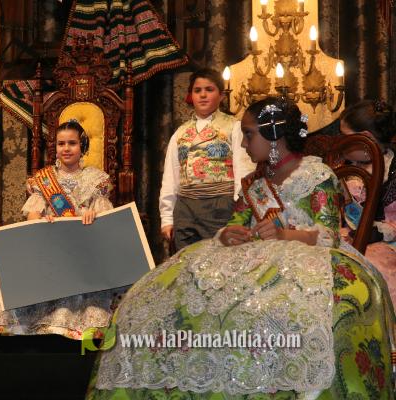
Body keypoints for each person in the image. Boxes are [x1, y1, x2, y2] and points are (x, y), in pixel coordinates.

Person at [87, 97, 394, 399]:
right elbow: (234, 223)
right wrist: (227, 235)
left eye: (249, 134)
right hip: (250, 259)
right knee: (165, 294)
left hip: (304, 260)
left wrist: (283, 234)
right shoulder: (253, 184)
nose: (244, 144)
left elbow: (328, 236)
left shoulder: (318, 175)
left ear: (273, 136)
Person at [0, 120, 122, 340]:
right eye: (61, 144)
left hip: (81, 241)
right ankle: (13, 323)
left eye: (72, 143)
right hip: (49, 238)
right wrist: (43, 220)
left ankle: (71, 323)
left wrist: (92, 215)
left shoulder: (96, 180)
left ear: (82, 146)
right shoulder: (44, 179)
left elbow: (105, 218)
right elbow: (32, 217)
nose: (66, 148)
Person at [160, 67, 254, 251]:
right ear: (191, 96)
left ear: (221, 96)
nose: (203, 95)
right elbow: (170, 178)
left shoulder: (234, 127)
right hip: (185, 208)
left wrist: (240, 211)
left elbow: (244, 171)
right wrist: (167, 218)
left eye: (209, 89)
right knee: (186, 259)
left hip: (220, 206)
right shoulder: (180, 133)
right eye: (197, 90)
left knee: (221, 258)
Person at [340, 99, 396, 305]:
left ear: (366, 139)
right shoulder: (341, 166)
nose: (340, 144)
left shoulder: (392, 170)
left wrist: (379, 232)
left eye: (345, 137)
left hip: (389, 245)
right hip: (348, 238)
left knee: (364, 271)